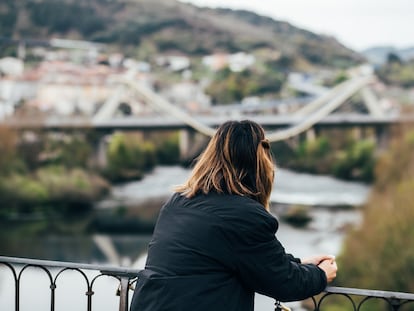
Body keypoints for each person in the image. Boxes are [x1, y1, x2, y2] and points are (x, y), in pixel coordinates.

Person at [130, 120, 337, 311]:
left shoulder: (177, 203)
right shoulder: (243, 216)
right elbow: (284, 283)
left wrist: (299, 263)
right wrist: (320, 275)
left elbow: (238, 256)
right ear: (258, 161)